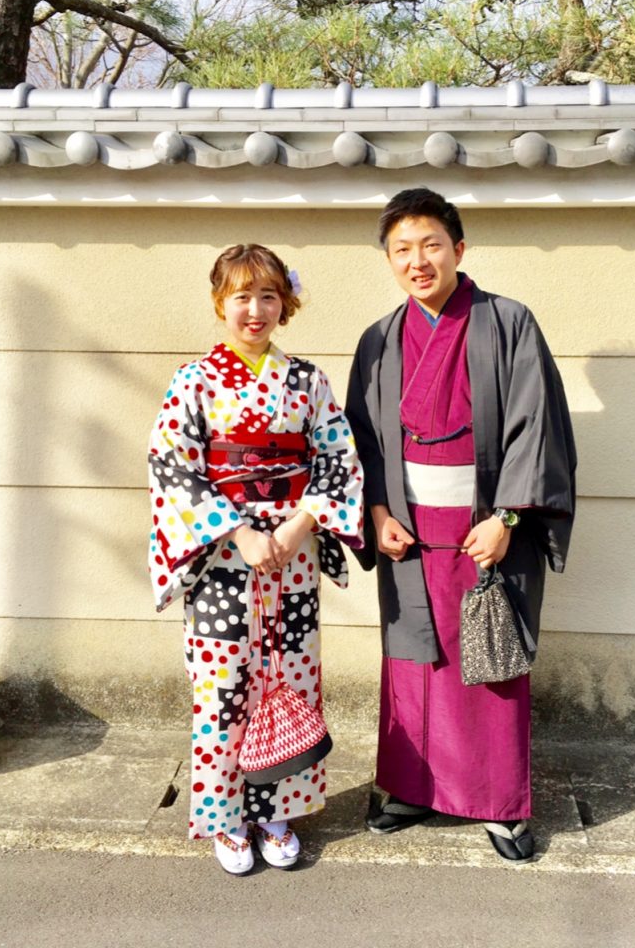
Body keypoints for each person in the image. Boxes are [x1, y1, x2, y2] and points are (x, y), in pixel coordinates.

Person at [345, 189, 576, 863]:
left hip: (488, 529)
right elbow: (360, 440)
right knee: (415, 663)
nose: (418, 261)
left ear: (458, 249)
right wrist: (377, 512)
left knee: (488, 664)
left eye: (431, 245)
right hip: (408, 533)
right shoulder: (379, 340)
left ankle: (499, 804)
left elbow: (537, 426)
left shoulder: (509, 323)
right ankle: (413, 789)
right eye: (402, 249)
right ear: (388, 259)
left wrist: (507, 518)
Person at [148, 244, 363, 875]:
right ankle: (225, 816)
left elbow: (337, 459)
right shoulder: (194, 380)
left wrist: (299, 526)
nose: (255, 310)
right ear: (221, 303)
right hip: (223, 558)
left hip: (292, 558)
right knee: (224, 687)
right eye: (242, 296)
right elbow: (172, 467)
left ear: (284, 304)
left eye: (268, 296)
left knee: (290, 677)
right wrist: (239, 532)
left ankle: (278, 810)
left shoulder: (308, 381)